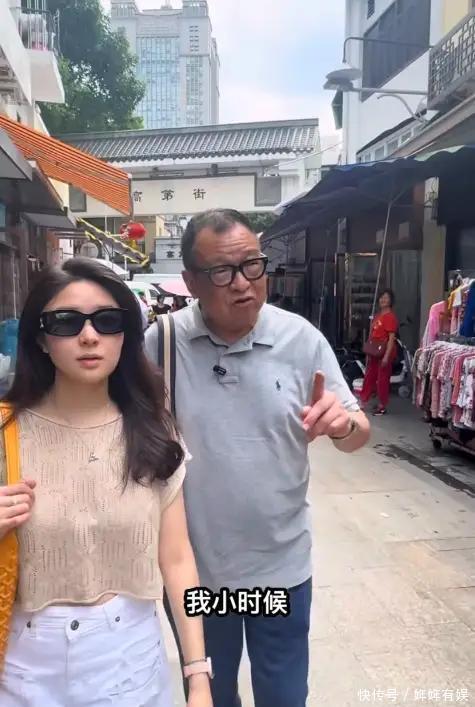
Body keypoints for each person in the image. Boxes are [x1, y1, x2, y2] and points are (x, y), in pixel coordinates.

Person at [145, 209, 370, 707]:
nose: (243, 283)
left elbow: (358, 433)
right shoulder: (161, 344)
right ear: (190, 282)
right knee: (212, 693)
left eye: (252, 265)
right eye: (222, 272)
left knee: (284, 696)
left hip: (280, 571)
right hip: (199, 576)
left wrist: (343, 426)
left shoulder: (301, 340)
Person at [0, 258, 213, 707]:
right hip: (23, 666)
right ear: (40, 337)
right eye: (66, 322)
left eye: (107, 321)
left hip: (129, 660)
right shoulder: (5, 434)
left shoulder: (153, 431)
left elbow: (177, 559)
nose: (89, 336)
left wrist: (198, 675)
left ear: (125, 335)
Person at [360, 288, 399, 416]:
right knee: (369, 377)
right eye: (382, 297)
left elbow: (391, 339)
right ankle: (363, 401)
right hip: (374, 352)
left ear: (391, 301)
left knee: (382, 380)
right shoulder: (378, 316)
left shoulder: (390, 317)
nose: (383, 300)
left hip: (384, 352)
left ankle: (382, 405)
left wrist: (386, 357)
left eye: (386, 298)